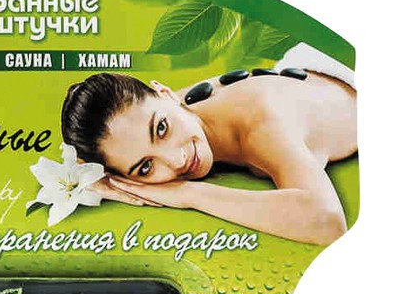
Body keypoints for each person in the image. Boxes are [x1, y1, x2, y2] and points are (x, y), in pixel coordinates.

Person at [60, 54, 357, 245]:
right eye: (146, 167)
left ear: (165, 93)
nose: (176, 159)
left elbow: (327, 221)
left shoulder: (264, 121)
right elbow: (89, 147)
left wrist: (187, 194)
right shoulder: (174, 109)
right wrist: (96, 178)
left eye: (161, 129)